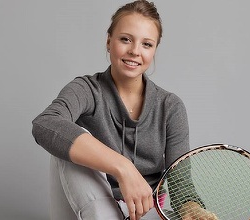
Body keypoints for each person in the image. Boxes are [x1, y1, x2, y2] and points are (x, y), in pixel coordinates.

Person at [32, 0, 218, 219]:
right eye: (125, 39)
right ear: (109, 41)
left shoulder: (170, 107)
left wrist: (191, 210)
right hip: (90, 206)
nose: (134, 51)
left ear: (155, 50)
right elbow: (44, 124)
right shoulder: (86, 90)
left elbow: (179, 182)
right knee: (66, 138)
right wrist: (123, 168)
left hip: (145, 209)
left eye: (146, 44)